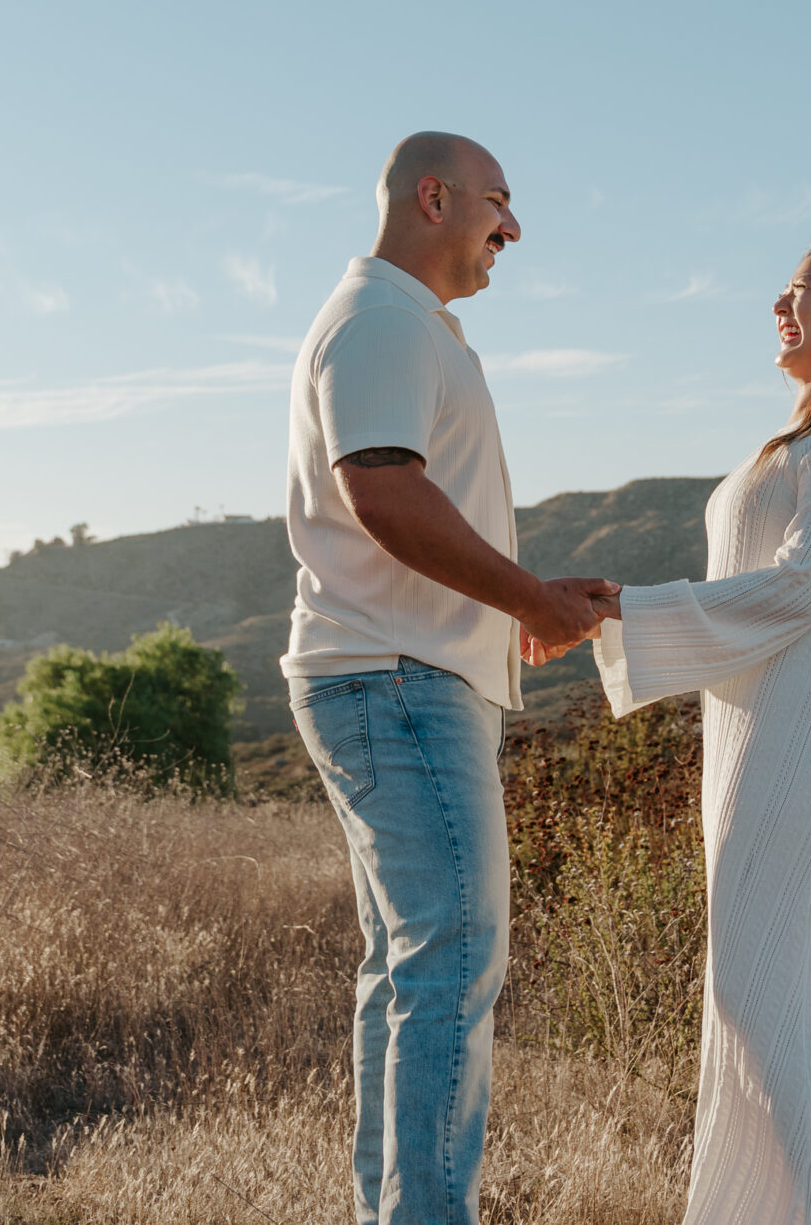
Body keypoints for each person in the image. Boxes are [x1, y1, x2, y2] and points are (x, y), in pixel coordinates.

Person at [282, 130, 617, 1225]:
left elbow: (403, 497)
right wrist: (526, 600)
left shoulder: (404, 322)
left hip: (396, 675)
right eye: (497, 201)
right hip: (398, 683)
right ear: (433, 197)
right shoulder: (382, 318)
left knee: (410, 967)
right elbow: (383, 491)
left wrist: (520, 598)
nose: (512, 226)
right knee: (450, 961)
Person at [589, 237, 811, 1225]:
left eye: (802, 286)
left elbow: (798, 588)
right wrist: (623, 611)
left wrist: (624, 610)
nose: (779, 303)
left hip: (804, 720)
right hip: (753, 719)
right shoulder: (803, 436)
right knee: (764, 992)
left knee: (763, 994)